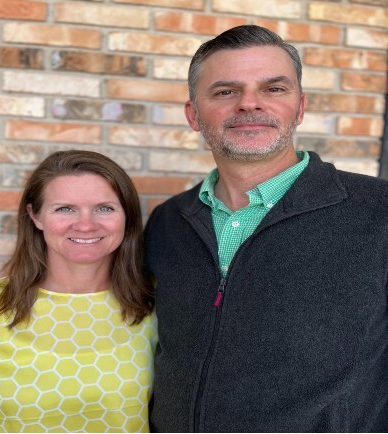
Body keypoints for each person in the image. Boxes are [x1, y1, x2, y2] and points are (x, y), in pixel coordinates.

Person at [144, 24, 388, 432]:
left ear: (300, 107)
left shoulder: (378, 212)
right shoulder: (168, 222)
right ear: (193, 115)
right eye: (225, 91)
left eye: (273, 89)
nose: (249, 104)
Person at [0, 150, 157, 433]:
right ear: (35, 216)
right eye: (65, 209)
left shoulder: (158, 307)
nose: (85, 224)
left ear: (127, 216)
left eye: (104, 208)